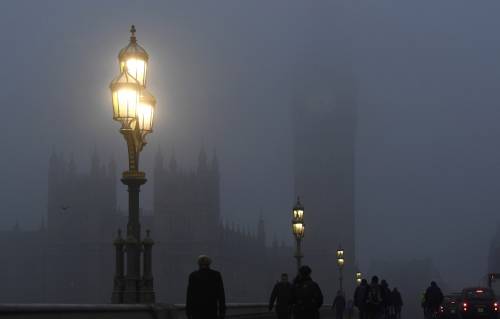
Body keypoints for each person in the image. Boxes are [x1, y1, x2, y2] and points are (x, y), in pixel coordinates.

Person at [186, 255, 226, 319]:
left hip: (197, 311)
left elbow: (189, 296)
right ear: (209, 263)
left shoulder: (193, 275)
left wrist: (188, 312)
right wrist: (222, 312)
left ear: (198, 264)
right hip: (211, 310)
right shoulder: (216, 275)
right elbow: (221, 295)